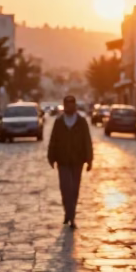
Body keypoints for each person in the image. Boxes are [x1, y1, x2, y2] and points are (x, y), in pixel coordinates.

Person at [47, 94, 93, 229]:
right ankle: (69, 213)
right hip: (63, 160)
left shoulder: (81, 122)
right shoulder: (59, 122)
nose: (69, 106)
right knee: (65, 188)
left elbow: (87, 141)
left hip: (77, 160)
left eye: (72, 104)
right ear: (64, 105)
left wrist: (89, 159)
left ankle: (71, 216)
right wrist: (51, 157)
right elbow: (53, 140)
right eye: (67, 104)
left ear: (75, 105)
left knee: (74, 189)